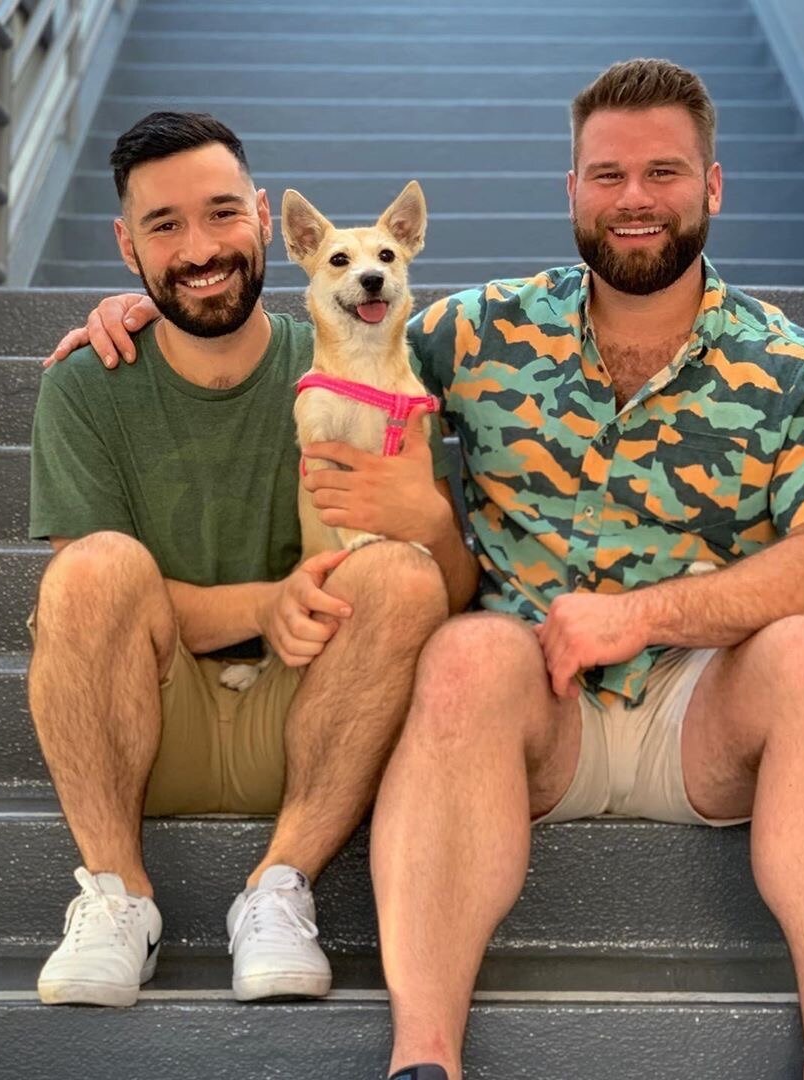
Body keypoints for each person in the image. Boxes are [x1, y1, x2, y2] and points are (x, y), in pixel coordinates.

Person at [51, 61, 804, 1080]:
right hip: (529, 709)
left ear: (712, 186)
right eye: (608, 175)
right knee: (462, 652)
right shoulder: (482, 330)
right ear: (572, 190)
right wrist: (151, 309)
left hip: (704, 708)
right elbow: (344, 335)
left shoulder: (796, 364)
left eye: (665, 172)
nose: (634, 198)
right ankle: (424, 1061)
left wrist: (643, 616)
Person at [28, 111, 477, 1009]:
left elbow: (452, 592)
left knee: (403, 574)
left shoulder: (361, 358)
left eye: (222, 213)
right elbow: (92, 606)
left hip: (320, 714)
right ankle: (117, 899)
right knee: (91, 569)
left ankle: (280, 887)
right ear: (126, 246)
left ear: (267, 220)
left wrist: (430, 522)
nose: (200, 249)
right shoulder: (86, 384)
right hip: (151, 723)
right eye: (164, 225)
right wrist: (266, 606)